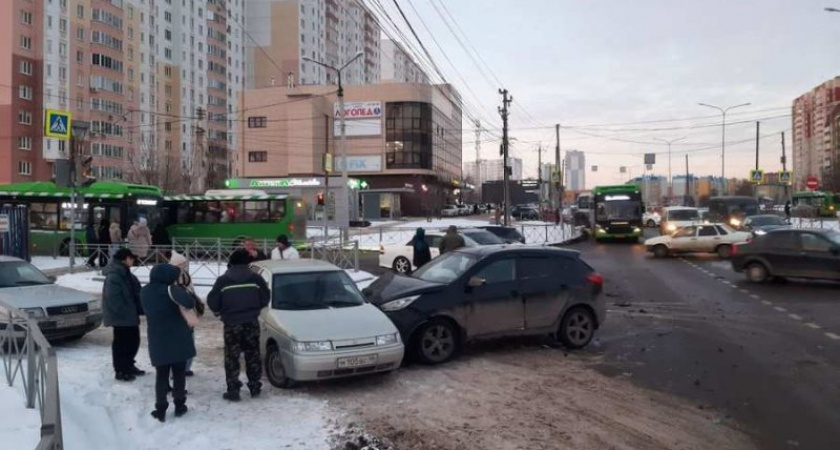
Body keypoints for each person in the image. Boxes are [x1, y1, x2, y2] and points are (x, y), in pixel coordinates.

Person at [208, 249, 270, 401]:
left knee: (232, 357)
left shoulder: (223, 280)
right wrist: (255, 309)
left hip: (231, 324)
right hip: (251, 322)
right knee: (253, 354)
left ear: (231, 262)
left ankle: (233, 390)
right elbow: (265, 297)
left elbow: (213, 301)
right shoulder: (256, 279)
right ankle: (255, 387)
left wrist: (220, 312)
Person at [140, 263, 197, 422]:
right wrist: (181, 289)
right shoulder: (171, 290)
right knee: (179, 373)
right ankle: (179, 405)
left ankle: (160, 408)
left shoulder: (144, 291)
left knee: (161, 375)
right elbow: (190, 303)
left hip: (157, 338)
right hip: (177, 337)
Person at [102, 248, 145, 382]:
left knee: (133, 342)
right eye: (131, 258)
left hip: (130, 315)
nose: (133, 260)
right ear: (125, 259)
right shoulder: (114, 276)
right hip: (121, 317)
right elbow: (113, 298)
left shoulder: (126, 273)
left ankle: (129, 365)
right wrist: (124, 312)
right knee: (121, 344)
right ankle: (121, 370)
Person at [170, 251, 204, 377]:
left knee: (189, 342)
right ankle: (178, 369)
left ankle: (185, 368)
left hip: (188, 313)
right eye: (182, 263)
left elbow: (191, 291)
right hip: (178, 314)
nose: (184, 265)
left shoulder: (185, 275)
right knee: (180, 343)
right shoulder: (170, 278)